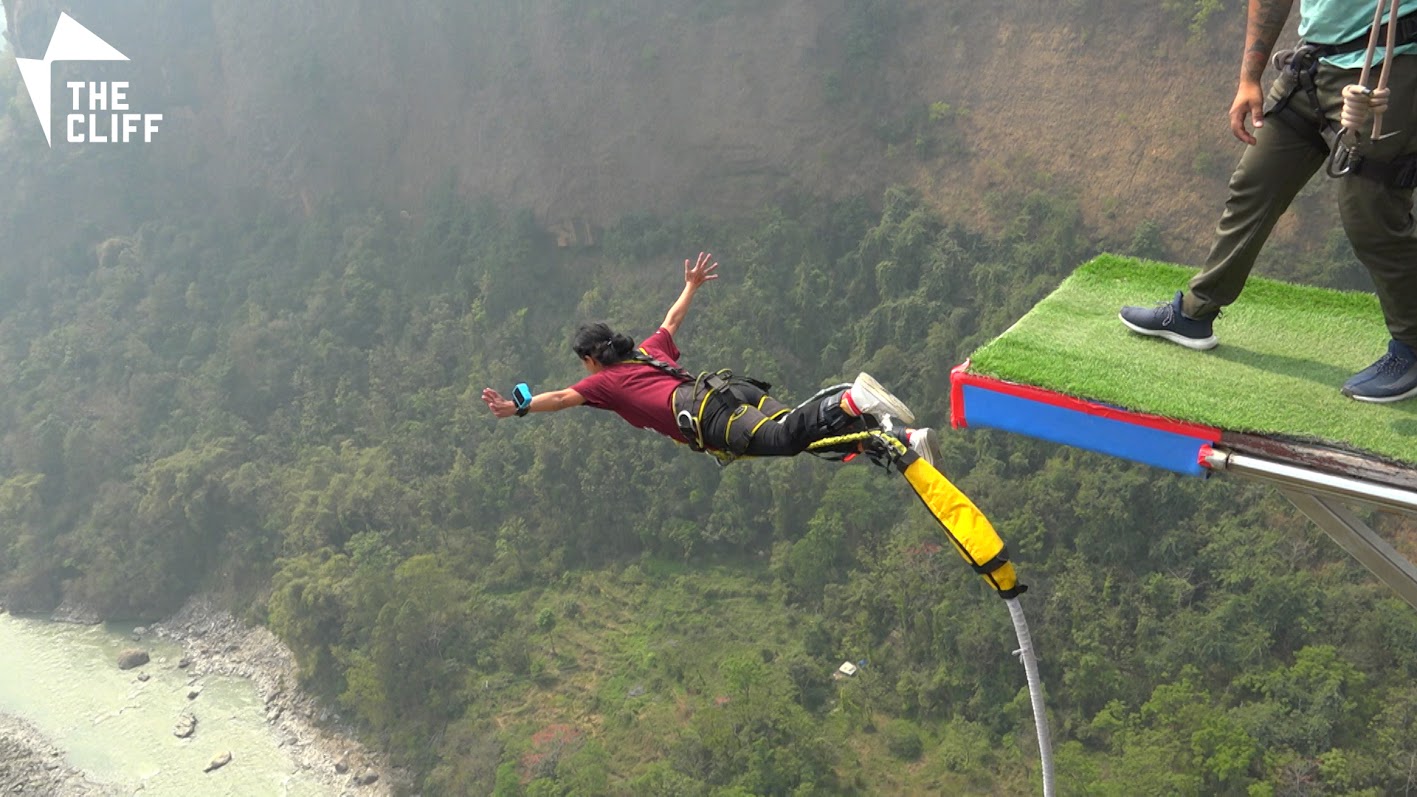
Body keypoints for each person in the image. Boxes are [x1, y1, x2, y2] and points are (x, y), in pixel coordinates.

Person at [1119, 0, 1417, 403]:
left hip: (1390, 66)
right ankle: (1195, 313)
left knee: (1370, 213)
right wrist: (1249, 77)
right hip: (1314, 64)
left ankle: (1412, 346)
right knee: (1255, 183)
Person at [481, 252, 940, 466]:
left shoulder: (604, 383)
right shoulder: (646, 351)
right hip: (725, 389)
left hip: (707, 416)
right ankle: (901, 438)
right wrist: (692, 285)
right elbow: (672, 319)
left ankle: (849, 401)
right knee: (807, 439)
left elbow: (561, 398)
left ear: (589, 359)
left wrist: (516, 407)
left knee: (785, 439)